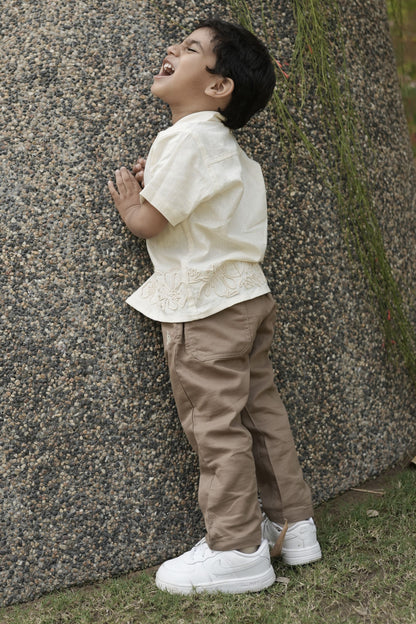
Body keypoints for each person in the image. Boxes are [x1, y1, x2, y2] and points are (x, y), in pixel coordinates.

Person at [108, 17, 321, 595]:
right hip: (247, 298)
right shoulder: (226, 148)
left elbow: (153, 221)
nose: (172, 49)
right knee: (260, 412)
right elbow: (201, 206)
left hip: (202, 308)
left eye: (191, 47)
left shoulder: (183, 136)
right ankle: (292, 526)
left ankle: (237, 549)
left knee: (215, 426)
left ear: (218, 85)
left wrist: (133, 204)